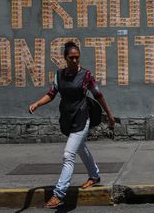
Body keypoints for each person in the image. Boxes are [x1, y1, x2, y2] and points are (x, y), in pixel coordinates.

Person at [28, 41, 115, 209]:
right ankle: (94, 175)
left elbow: (98, 95)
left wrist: (110, 115)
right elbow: (51, 93)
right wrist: (37, 104)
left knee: (68, 154)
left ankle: (59, 194)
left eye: (77, 57)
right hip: (68, 118)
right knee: (80, 147)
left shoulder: (86, 75)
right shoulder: (58, 75)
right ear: (65, 58)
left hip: (82, 117)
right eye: (71, 58)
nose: (75, 61)